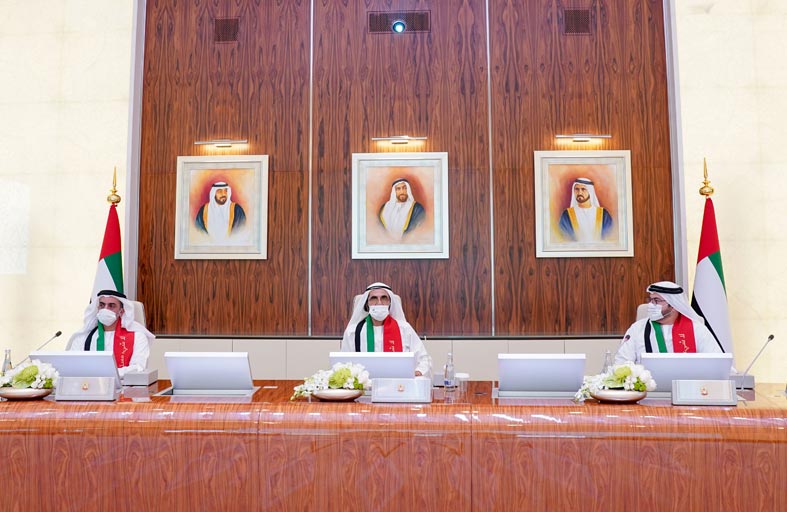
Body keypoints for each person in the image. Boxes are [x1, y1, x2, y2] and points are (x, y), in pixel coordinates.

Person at [615, 281, 722, 364]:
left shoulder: (697, 329)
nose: (651, 304)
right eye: (650, 300)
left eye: (657, 300)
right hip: (649, 385)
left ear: (674, 305)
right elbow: (621, 363)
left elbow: (716, 362)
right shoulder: (638, 328)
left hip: (687, 384)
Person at [340, 282, 432, 377]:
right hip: (365, 385)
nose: (379, 303)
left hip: (398, 383)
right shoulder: (353, 332)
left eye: (384, 298)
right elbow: (343, 364)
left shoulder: (404, 329)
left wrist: (415, 373)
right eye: (374, 298)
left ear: (390, 302)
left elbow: (424, 360)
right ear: (367, 303)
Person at [67, 290, 154, 377]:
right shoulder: (84, 337)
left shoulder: (137, 337)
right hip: (89, 384)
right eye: (102, 305)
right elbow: (71, 364)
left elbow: (138, 368)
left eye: (111, 306)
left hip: (124, 384)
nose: (105, 309)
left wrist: (105, 374)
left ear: (121, 311)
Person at [558, 177, 614, 242]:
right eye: (577, 189)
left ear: (590, 192)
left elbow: (609, 235)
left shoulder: (603, 214)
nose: (580, 193)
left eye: (583, 189)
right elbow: (563, 236)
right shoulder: (567, 215)